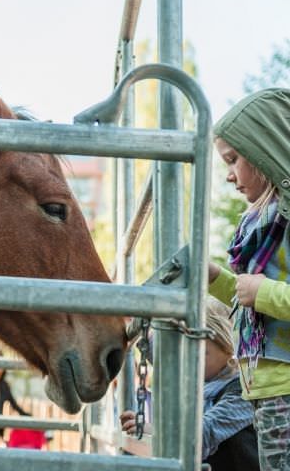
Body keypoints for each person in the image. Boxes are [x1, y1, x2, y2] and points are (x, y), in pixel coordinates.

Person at [209, 88, 290, 470]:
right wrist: (215, 278)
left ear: (263, 151)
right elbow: (247, 297)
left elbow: (261, 293)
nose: (227, 175)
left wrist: (264, 291)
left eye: (233, 159)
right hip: (262, 387)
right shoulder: (258, 225)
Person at [121, 298, 259, 469]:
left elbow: (204, 433)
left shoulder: (245, 389)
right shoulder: (201, 376)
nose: (188, 359)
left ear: (227, 344)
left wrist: (155, 430)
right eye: (184, 349)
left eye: (200, 352)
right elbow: (158, 351)